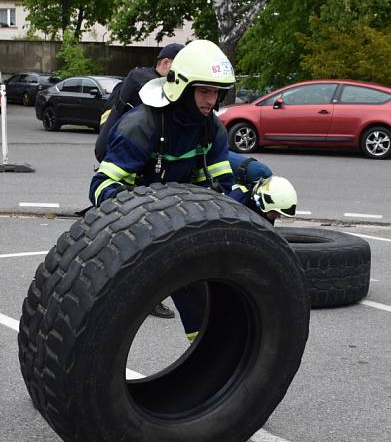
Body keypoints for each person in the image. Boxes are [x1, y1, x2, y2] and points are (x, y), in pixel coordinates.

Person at [88, 39, 295, 340]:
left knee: (203, 304)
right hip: (132, 229)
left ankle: (208, 362)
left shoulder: (212, 129)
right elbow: (100, 186)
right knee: (99, 315)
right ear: (182, 87)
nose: (211, 101)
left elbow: (220, 188)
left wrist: (251, 208)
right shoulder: (141, 125)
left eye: (216, 92)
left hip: (180, 226)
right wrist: (140, 213)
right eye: (204, 91)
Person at [94, 42, 184, 319]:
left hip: (123, 158)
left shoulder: (129, 82)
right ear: (166, 63)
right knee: (143, 232)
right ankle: (142, 297)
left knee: (121, 230)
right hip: (129, 161)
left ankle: (109, 288)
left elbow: (107, 113)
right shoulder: (142, 79)